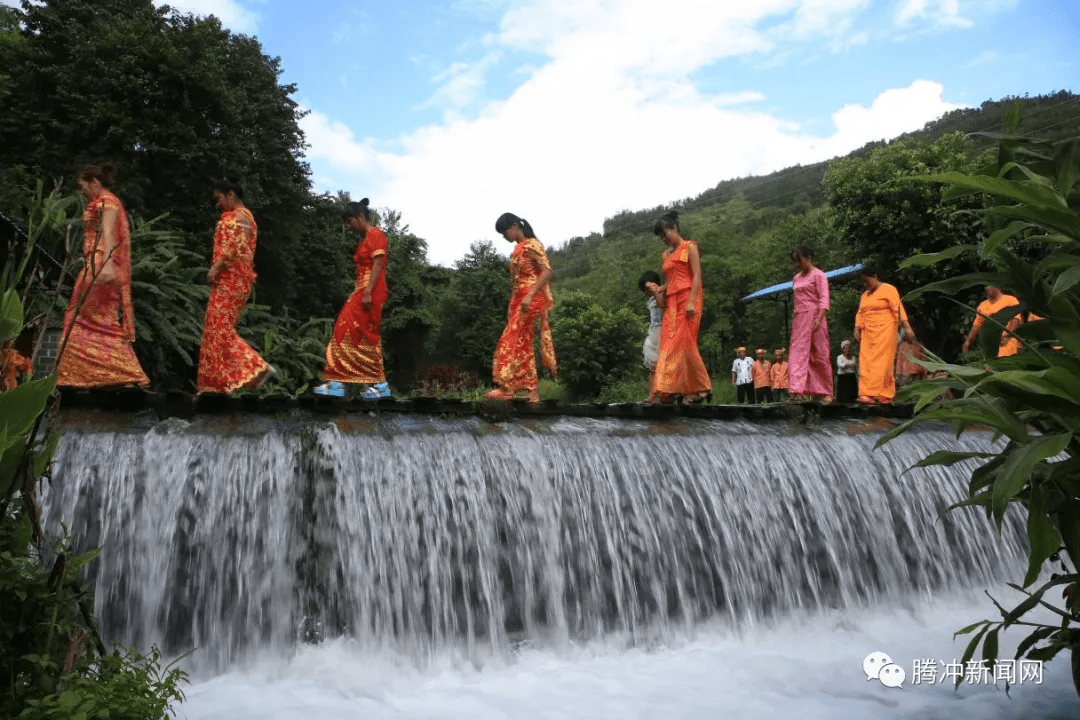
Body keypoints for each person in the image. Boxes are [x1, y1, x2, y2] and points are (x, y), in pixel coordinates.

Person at [56, 162, 150, 388]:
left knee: (81, 316)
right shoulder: (104, 202)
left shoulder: (107, 203)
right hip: (96, 263)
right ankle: (117, 373)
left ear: (94, 182)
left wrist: (106, 266)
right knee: (99, 319)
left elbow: (108, 233)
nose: (82, 191)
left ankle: (116, 372)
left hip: (99, 264)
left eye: (83, 186)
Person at [196, 180, 275, 394]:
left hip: (231, 279)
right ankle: (217, 385)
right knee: (215, 330)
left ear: (230, 194)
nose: (217, 204)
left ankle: (257, 368)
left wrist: (216, 268)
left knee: (218, 330)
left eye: (219, 198)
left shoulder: (239, 218)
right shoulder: (246, 218)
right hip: (236, 280)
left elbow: (233, 248)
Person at [315, 199, 391, 399]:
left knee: (361, 332)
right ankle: (341, 382)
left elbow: (377, 265)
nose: (348, 226)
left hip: (371, 291)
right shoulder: (364, 239)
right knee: (350, 331)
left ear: (360, 217)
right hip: (362, 290)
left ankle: (378, 385)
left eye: (349, 221)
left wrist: (367, 293)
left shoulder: (375, 234)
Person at [486, 213, 557, 402]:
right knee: (523, 344)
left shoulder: (533, 244)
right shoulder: (519, 248)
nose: (505, 237)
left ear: (515, 226)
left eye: (505, 232)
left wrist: (530, 295)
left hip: (530, 298)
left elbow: (546, 271)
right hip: (520, 299)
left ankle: (507, 388)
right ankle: (532, 391)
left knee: (510, 340)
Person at [652, 211, 711, 404]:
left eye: (664, 234)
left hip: (688, 299)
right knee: (669, 345)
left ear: (674, 228)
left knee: (685, 343)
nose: (663, 239)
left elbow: (697, 276)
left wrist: (692, 301)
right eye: (660, 237)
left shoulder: (689, 247)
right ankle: (677, 389)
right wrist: (657, 288)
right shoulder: (665, 255)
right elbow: (670, 282)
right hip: (671, 302)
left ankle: (700, 388)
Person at [854, 267, 916, 404]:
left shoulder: (889, 289)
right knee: (866, 362)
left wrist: (907, 328)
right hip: (868, 332)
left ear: (875, 276)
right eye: (863, 283)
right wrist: (857, 328)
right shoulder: (865, 295)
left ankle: (884, 394)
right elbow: (860, 313)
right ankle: (866, 393)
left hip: (886, 330)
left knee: (884, 363)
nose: (865, 285)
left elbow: (899, 309)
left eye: (867, 281)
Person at [788, 246, 833, 403]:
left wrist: (819, 319)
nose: (797, 264)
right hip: (800, 319)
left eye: (799, 260)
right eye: (795, 262)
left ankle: (826, 391)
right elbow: (796, 302)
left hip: (815, 316)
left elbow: (824, 299)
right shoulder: (796, 279)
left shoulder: (819, 275)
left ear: (808, 258)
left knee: (819, 354)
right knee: (797, 355)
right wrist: (795, 319)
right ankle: (797, 391)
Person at [961, 285, 1021, 357]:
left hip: (1005, 341)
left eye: (990, 286)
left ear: (998, 287)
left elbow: (1016, 320)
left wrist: (1007, 336)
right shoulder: (982, 305)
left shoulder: (1010, 300)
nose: (988, 288)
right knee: (990, 366)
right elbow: (977, 325)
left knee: (1004, 365)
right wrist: (968, 341)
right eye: (986, 286)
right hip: (988, 344)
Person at [639, 270, 665, 403]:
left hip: (664, 330)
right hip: (654, 331)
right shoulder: (650, 300)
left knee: (665, 366)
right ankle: (652, 395)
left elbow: (663, 307)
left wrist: (656, 291)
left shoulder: (664, 294)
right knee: (652, 367)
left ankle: (665, 394)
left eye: (646, 288)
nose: (646, 291)